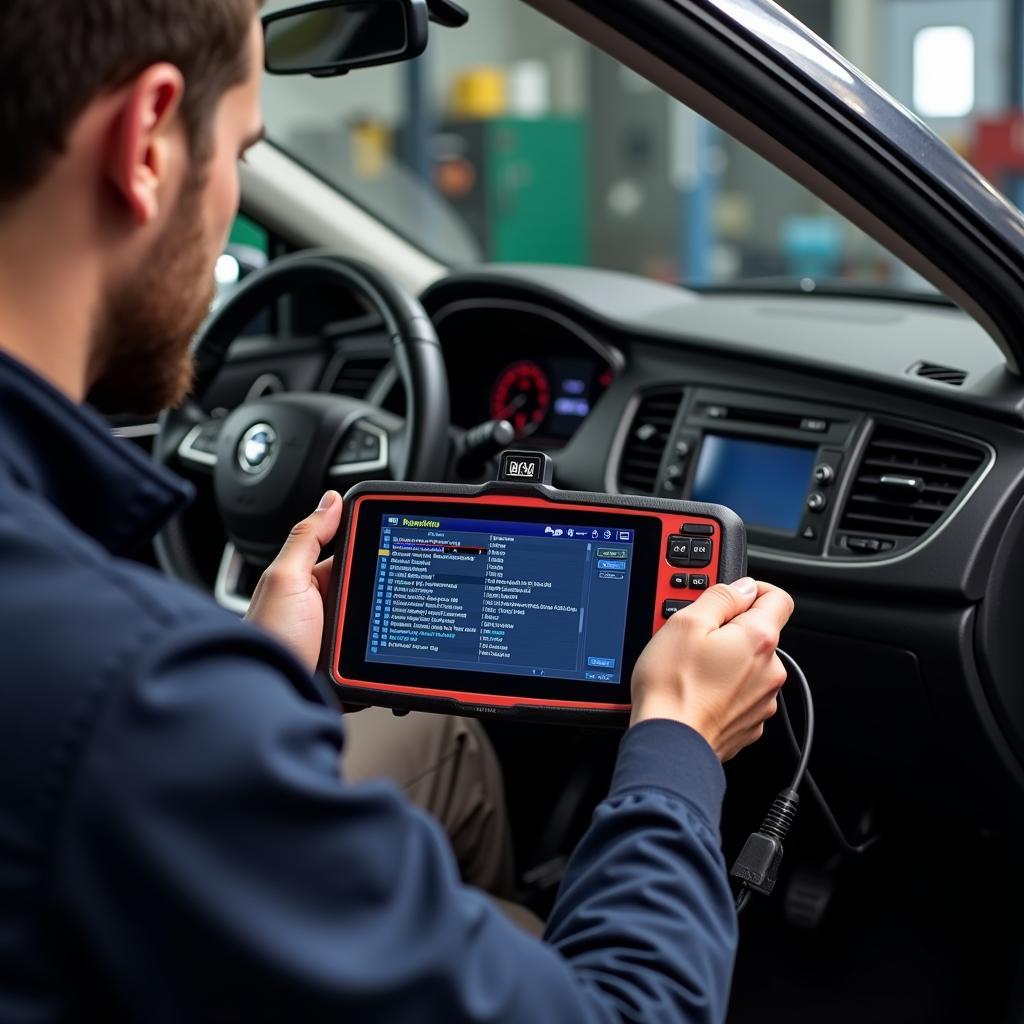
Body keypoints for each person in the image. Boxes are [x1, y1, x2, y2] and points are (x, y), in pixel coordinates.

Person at [0, 1, 794, 1021]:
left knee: (442, 743)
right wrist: (678, 740)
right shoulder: (130, 700)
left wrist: (267, 682)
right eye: (242, 147)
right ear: (148, 139)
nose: (236, 187)